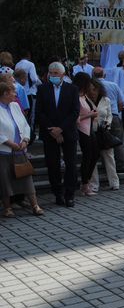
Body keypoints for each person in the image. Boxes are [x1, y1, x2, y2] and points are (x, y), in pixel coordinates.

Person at [36, 62, 80, 208]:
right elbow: (40, 112)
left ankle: (69, 194)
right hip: (49, 133)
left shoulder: (72, 89)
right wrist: (52, 130)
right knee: (52, 164)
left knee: (71, 164)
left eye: (56, 73)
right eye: (51, 73)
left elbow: (74, 112)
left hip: (67, 131)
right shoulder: (42, 89)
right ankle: (57, 193)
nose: (53, 76)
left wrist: (61, 129)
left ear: (62, 75)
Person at [0, 82, 43, 217]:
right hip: (4, 150)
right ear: (5, 93)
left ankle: (35, 205)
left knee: (26, 178)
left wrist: (25, 139)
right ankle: (7, 208)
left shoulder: (15, 106)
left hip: (20, 149)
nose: (15, 94)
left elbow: (24, 125)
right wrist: (9, 143)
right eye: (13, 92)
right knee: (5, 180)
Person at [93, 67, 124, 174]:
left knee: (102, 142)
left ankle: (106, 166)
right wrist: (117, 112)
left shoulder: (93, 87)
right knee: (118, 141)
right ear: (104, 75)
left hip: (98, 117)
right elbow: (121, 102)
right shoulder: (113, 85)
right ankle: (120, 165)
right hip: (114, 115)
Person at [87, 78, 119, 192]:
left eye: (94, 89)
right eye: (90, 90)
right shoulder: (85, 100)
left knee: (109, 157)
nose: (92, 92)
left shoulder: (106, 100)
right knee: (93, 159)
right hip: (90, 132)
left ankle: (114, 183)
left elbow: (109, 115)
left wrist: (108, 123)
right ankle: (94, 185)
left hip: (104, 132)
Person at [73, 72, 101, 197]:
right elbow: (76, 117)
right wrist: (90, 114)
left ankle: (86, 181)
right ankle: (85, 184)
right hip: (82, 130)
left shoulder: (84, 96)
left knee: (95, 154)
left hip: (90, 129)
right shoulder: (76, 98)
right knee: (88, 156)